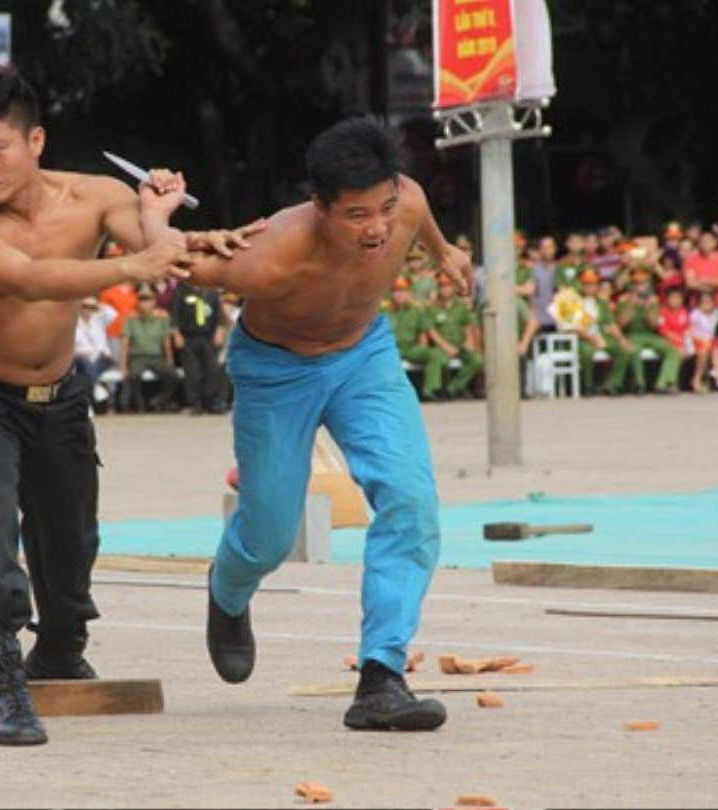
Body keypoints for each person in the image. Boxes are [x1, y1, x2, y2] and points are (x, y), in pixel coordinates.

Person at [0, 66, 255, 746]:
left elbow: (160, 245)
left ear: (35, 139)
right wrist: (136, 266)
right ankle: (6, 677)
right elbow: (28, 279)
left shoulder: (94, 194)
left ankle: (59, 649)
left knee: (71, 547)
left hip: (60, 397)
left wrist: (180, 225)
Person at [182, 115, 470, 732]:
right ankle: (227, 591)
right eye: (357, 215)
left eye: (384, 209)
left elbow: (419, 218)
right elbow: (174, 262)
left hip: (365, 357)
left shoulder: (407, 201)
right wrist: (156, 214)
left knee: (411, 499)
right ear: (320, 207)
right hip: (275, 372)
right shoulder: (271, 252)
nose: (378, 228)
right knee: (268, 534)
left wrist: (445, 255)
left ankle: (381, 676)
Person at [615, 270, 681, 394]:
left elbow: (654, 325)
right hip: (632, 334)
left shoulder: (653, 301)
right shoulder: (624, 300)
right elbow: (621, 324)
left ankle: (663, 382)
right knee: (633, 350)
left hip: (649, 335)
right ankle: (639, 383)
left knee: (672, 350)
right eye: (636, 284)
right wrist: (631, 305)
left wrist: (648, 308)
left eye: (642, 283)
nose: (639, 286)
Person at [170, 280, 227, 414]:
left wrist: (220, 329)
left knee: (211, 370)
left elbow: (219, 313)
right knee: (192, 371)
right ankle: (195, 403)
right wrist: (176, 333)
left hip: (208, 336)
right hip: (188, 336)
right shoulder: (181, 291)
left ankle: (212, 402)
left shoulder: (211, 290)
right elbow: (175, 314)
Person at [120, 285, 179, 412]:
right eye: (141, 300)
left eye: (148, 300)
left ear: (154, 301)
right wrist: (123, 366)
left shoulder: (162, 318)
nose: (144, 304)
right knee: (134, 375)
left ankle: (159, 401)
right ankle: (139, 405)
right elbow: (125, 344)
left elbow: (166, 342)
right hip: (137, 356)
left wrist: (170, 361)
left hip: (155, 356)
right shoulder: (131, 318)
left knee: (173, 375)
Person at [424, 276, 482, 399]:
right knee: (439, 359)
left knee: (476, 360)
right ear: (438, 288)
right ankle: (433, 390)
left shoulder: (461, 307)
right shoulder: (431, 308)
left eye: (448, 286)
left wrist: (469, 342)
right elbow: (432, 332)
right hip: (440, 346)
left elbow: (467, 327)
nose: (445, 289)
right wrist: (447, 347)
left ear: (453, 288)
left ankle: (455, 387)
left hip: (459, 345)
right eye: (442, 286)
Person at [688, 291, 718, 393]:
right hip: (698, 339)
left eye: (709, 302)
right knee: (704, 350)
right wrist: (702, 340)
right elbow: (691, 332)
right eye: (704, 302)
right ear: (699, 304)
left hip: (711, 340)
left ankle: (717, 369)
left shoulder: (716, 313)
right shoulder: (695, 314)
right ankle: (697, 379)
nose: (707, 304)